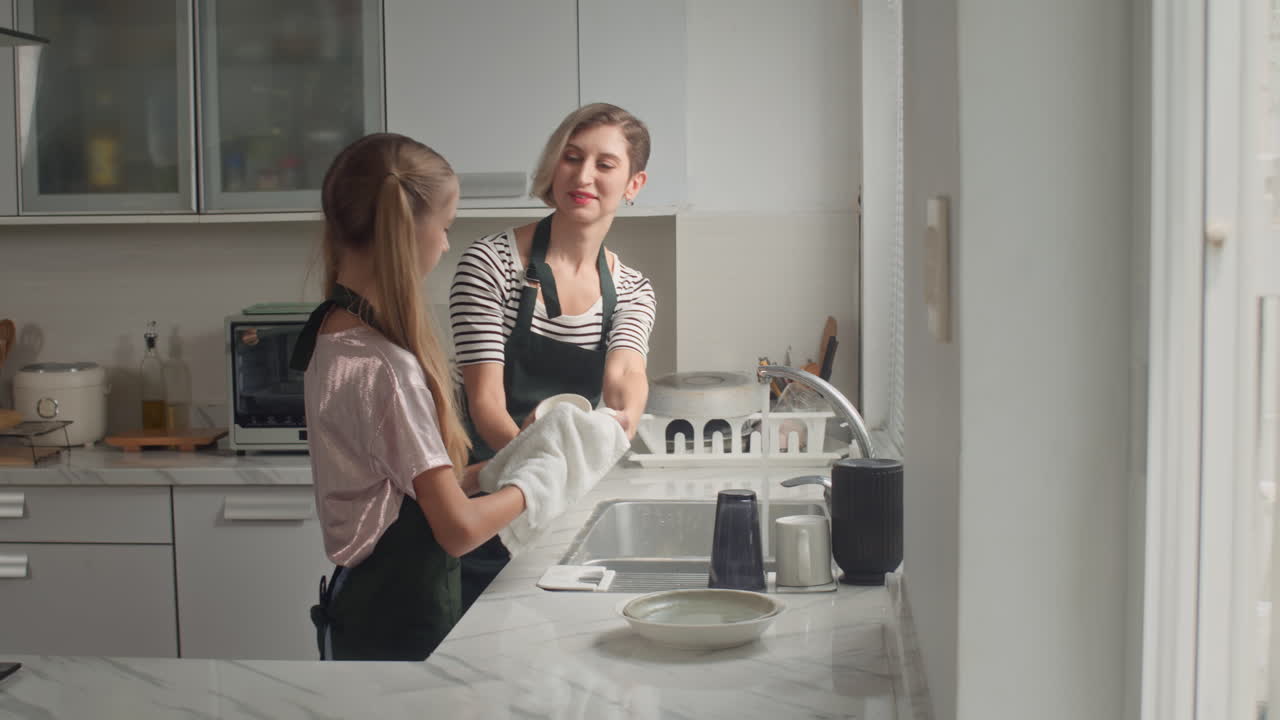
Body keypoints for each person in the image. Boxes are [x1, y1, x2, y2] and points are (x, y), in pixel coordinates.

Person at [292, 133, 531, 661]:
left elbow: (398, 494)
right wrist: (539, 485)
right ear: (407, 229)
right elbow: (457, 530)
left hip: (360, 607)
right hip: (403, 619)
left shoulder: (328, 333)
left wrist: (499, 470)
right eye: (444, 228)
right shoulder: (388, 367)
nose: (446, 244)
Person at [449, 103, 657, 610]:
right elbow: (486, 405)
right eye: (571, 157)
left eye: (605, 164)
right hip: (479, 497)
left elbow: (625, 373)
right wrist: (540, 480)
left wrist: (625, 416)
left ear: (633, 185)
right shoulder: (490, 266)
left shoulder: (632, 290)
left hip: (560, 503)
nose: (583, 175)